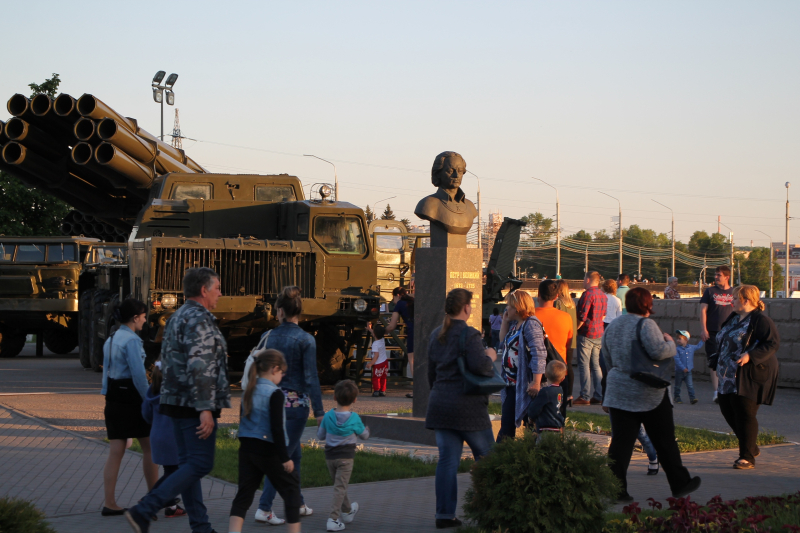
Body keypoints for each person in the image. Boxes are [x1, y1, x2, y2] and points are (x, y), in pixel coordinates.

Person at [126, 267, 232, 533]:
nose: (220, 293)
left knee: (188, 466)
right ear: (204, 290)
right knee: (200, 463)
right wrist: (205, 408)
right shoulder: (199, 319)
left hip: (176, 402)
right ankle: (144, 509)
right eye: (217, 287)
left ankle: (201, 527)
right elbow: (201, 365)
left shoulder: (178, 316)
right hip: (192, 404)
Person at [602, 287, 701, 502]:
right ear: (648, 304)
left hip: (618, 389)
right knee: (664, 439)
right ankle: (680, 483)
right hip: (648, 391)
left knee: (620, 444)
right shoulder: (646, 324)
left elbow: (606, 356)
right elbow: (659, 351)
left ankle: (614, 490)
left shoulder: (614, 325)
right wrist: (670, 343)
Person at [249, 286, 322, 524]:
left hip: (271, 403)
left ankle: (297, 501)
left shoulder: (268, 336)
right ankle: (264, 507)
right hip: (295, 407)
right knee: (283, 458)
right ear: (299, 311)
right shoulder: (306, 340)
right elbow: (311, 377)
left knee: (294, 454)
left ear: (279, 310)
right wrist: (319, 411)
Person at [425, 288, 497, 529]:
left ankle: (444, 516)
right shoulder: (470, 335)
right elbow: (482, 368)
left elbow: (431, 374)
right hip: (468, 408)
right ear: (466, 308)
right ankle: (491, 509)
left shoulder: (437, 335)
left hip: (440, 405)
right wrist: (491, 356)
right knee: (488, 457)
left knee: (447, 461)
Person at [229, 350, 302, 533]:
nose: (282, 376)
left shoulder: (249, 391)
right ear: (274, 369)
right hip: (269, 450)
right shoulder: (275, 393)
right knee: (291, 490)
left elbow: (242, 421)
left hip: (246, 449)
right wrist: (285, 458)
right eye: (281, 372)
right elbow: (276, 427)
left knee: (244, 495)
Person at [101, 298, 158, 516]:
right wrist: (149, 400)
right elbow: (138, 375)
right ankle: (153, 499)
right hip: (132, 397)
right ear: (135, 318)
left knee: (116, 451)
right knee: (150, 448)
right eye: (144, 317)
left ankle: (109, 502)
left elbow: (107, 371)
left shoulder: (112, 338)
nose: (145, 321)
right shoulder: (132, 341)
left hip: (113, 396)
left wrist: (106, 393)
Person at [715, 285, 780, 470]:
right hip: (727, 375)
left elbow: (772, 343)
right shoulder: (734, 318)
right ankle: (751, 446)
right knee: (728, 411)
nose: (731, 301)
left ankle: (746, 457)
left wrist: (750, 356)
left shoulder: (760, 320)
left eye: (735, 298)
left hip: (747, 374)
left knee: (745, 413)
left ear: (746, 300)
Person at [317, 380, 370, 531]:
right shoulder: (354, 418)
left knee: (340, 485)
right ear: (355, 399)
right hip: (346, 458)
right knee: (340, 487)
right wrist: (366, 429)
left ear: (334, 397)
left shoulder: (328, 416)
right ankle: (333, 519)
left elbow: (320, 436)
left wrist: (320, 424)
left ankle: (347, 511)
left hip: (330, 457)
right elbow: (364, 436)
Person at [497, 290, 547, 441]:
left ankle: (512, 457)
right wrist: (505, 321)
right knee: (506, 425)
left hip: (526, 385)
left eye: (509, 306)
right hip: (511, 384)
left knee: (528, 427)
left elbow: (539, 353)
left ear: (518, 307)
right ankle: (502, 458)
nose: (506, 309)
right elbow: (502, 341)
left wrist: (536, 382)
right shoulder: (515, 324)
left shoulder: (531, 324)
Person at [141, 360, 186, 518]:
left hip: (156, 436)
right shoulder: (176, 393)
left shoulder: (151, 392)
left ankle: (170, 505)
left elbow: (146, 415)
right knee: (177, 474)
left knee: (170, 471)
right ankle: (149, 501)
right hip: (173, 438)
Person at [534, 280, 573, 417]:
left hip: (536, 373)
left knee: (534, 414)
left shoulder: (530, 316)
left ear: (538, 294)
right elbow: (568, 347)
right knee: (559, 415)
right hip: (559, 373)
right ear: (556, 297)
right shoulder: (566, 317)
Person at [700, 265, 734, 404]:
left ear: (727, 277)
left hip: (730, 332)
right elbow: (702, 310)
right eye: (715, 274)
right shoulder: (710, 291)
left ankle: (728, 389)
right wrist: (703, 329)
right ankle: (716, 392)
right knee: (714, 361)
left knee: (729, 361)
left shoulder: (734, 292)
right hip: (713, 331)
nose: (716, 277)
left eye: (719, 275)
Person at [574, 272, 607, 405]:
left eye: (583, 279)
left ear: (588, 280)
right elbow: (603, 315)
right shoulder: (603, 295)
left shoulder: (587, 294)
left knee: (584, 366)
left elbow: (582, 317)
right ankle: (598, 395)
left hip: (586, 334)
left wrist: (575, 330)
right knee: (596, 365)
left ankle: (585, 395)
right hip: (599, 333)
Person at [386, 286, 415, 398]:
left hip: (412, 331)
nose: (393, 301)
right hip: (424, 331)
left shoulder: (399, 304)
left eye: (393, 298)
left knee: (412, 360)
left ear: (397, 295)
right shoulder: (413, 301)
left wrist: (382, 330)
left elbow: (392, 326)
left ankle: (416, 390)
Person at [527, 360, 567, 438]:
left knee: (542, 447)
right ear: (563, 378)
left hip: (546, 426)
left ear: (545, 374)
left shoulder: (545, 392)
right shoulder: (560, 390)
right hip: (557, 425)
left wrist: (531, 417)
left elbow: (535, 407)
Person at [554, 280, 577, 406]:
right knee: (569, 367)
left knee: (559, 365)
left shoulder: (559, 303)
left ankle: (560, 391)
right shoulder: (572, 304)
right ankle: (570, 394)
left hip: (561, 338)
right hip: (571, 337)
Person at [674, 331, 703, 404]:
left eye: (680, 338)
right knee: (677, 386)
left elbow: (698, 346)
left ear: (686, 339)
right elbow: (677, 360)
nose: (678, 340)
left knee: (690, 385)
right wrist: (682, 368)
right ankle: (676, 397)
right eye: (677, 339)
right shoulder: (677, 349)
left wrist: (703, 339)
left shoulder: (691, 347)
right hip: (679, 371)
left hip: (688, 371)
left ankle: (692, 398)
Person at [366, 323, 388, 397]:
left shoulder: (375, 344)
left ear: (375, 334)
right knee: (383, 377)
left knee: (376, 377)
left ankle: (376, 390)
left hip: (378, 363)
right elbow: (375, 334)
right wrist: (370, 329)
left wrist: (370, 363)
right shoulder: (382, 339)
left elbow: (376, 356)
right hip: (385, 362)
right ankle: (382, 390)